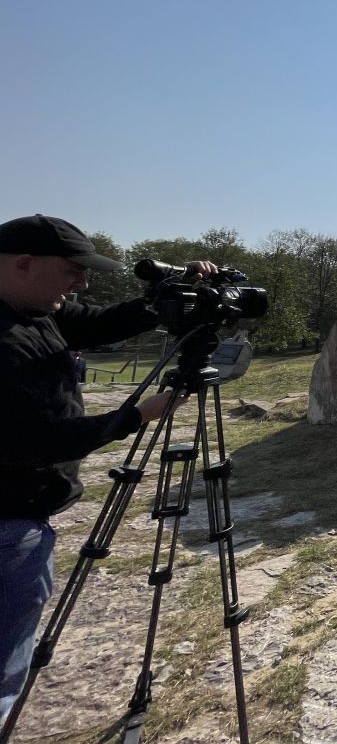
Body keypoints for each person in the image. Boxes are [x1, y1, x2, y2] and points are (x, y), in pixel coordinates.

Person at [0, 215, 209, 725]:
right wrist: (135, 416)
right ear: (25, 264)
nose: (82, 283)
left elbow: (97, 324)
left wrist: (165, 298)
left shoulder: (32, 309)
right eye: (73, 270)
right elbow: (32, 442)